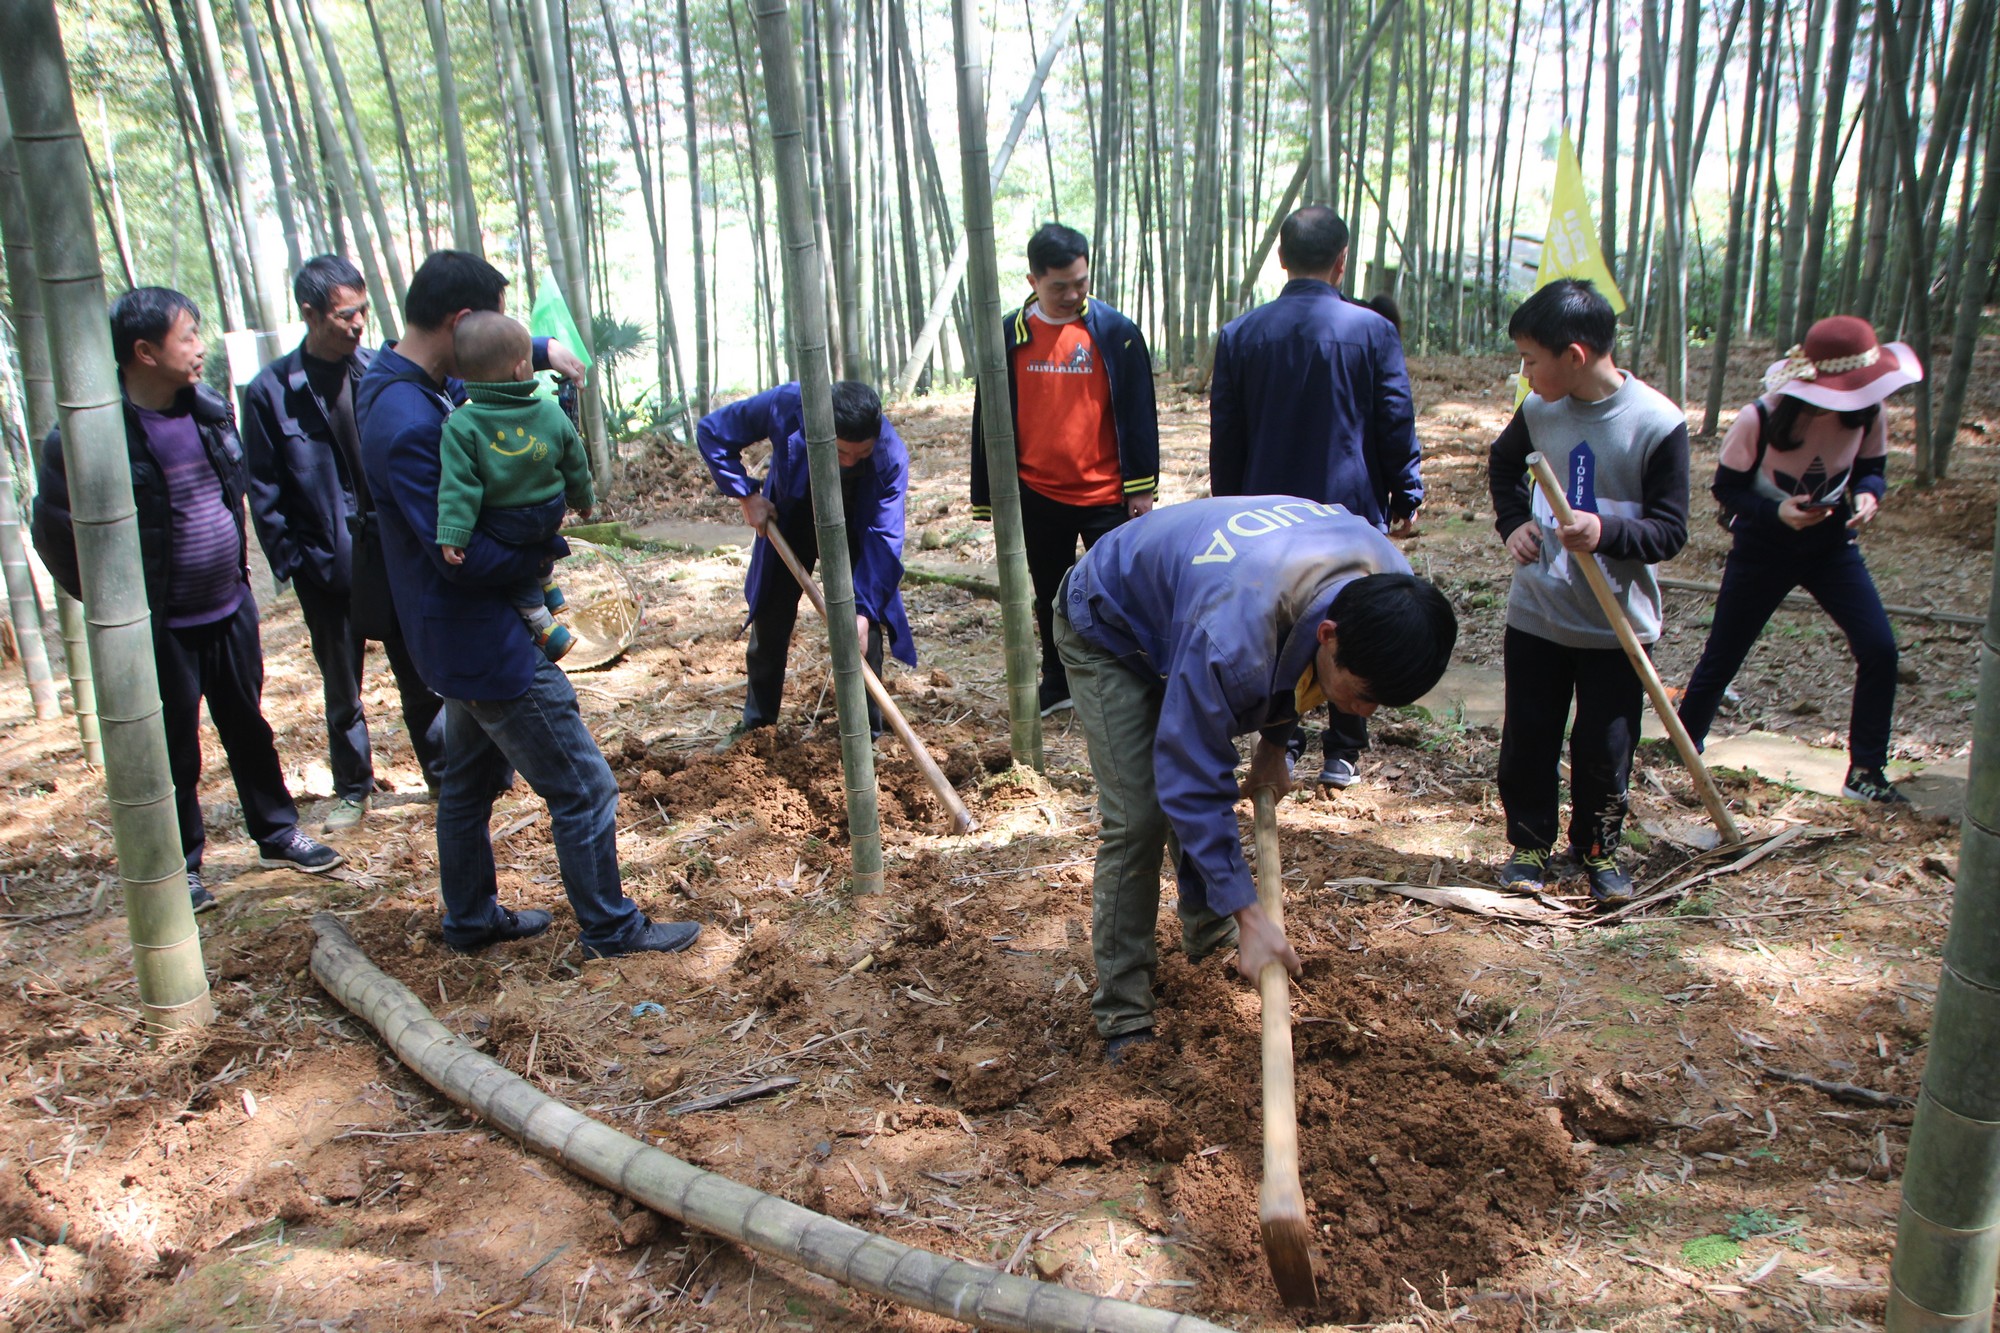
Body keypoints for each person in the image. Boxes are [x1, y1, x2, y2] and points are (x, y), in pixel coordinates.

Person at [355, 250, 698, 958]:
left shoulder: (400, 380)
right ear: (461, 321)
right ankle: (609, 926)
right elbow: (460, 556)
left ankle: (471, 917)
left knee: (468, 783)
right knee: (583, 785)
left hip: (453, 638)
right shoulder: (411, 421)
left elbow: (485, 371)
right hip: (482, 638)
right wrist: (544, 551)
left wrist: (540, 350)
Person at [1054, 496, 1457, 1061]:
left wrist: (1274, 745)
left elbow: (1291, 652)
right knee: (1141, 816)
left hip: (1192, 605)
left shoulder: (1391, 590)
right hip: (1111, 619)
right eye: (1362, 696)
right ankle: (1124, 1012)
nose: (1363, 715)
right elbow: (1193, 775)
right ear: (1331, 637)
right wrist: (1252, 911)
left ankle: (1209, 931)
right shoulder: (1232, 636)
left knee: (1187, 788)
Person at [31, 288, 342, 913]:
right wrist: (115, 607)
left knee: (248, 725)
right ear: (144, 352)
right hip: (157, 622)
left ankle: (277, 831)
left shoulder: (206, 412)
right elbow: (55, 533)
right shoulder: (89, 436)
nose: (200, 347)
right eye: (187, 337)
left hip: (227, 604)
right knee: (174, 743)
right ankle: (184, 864)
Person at [1488, 279, 1690, 906]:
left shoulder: (1656, 423)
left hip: (1614, 625)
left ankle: (1598, 848)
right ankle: (1528, 845)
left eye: (1530, 359)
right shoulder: (1539, 410)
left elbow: (1671, 530)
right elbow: (1502, 465)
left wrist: (1606, 531)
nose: (1524, 371)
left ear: (1574, 356)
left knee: (1606, 746)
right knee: (1530, 734)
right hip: (1538, 617)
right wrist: (1514, 523)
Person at [1209, 207, 1422, 789]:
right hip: (1346, 510)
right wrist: (1406, 487)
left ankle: (1288, 739)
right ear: (1341, 261)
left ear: (1281, 259)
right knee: (1357, 619)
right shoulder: (1372, 331)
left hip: (1265, 514)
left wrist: (1226, 509)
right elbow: (1393, 416)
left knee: (1280, 617)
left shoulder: (1241, 334)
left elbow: (1226, 433)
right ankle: (1344, 746)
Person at [1677, 317, 1922, 805]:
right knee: (1724, 652)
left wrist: (1869, 497)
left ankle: (1867, 770)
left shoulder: (1870, 413)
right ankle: (1685, 745)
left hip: (1831, 547)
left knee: (1879, 648)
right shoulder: (1761, 417)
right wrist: (1775, 511)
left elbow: (1872, 470)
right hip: (1763, 546)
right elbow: (1726, 489)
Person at [243, 255, 445, 832]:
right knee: (343, 684)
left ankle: (440, 775)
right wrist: (293, 563)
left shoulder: (378, 371)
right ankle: (353, 788)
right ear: (310, 314)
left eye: (361, 311)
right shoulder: (272, 392)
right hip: (325, 562)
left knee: (417, 669)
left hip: (390, 549)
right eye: (343, 315)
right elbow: (263, 489)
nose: (356, 324)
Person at [970, 223, 1159, 717]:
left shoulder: (1115, 333)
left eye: (1081, 282)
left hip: (1107, 493)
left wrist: (1142, 488)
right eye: (1060, 286)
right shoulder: (1010, 337)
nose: (1074, 294)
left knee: (1118, 593)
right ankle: (1057, 681)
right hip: (1037, 493)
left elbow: (1139, 411)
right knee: (1050, 591)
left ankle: (1127, 680)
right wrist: (989, 495)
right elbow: (986, 417)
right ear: (1032, 279)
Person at [697, 381, 913, 739]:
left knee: (866, 630)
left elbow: (885, 539)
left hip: (855, 528)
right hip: (791, 515)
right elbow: (713, 432)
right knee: (771, 618)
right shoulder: (788, 404)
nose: (848, 462)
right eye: (841, 452)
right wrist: (746, 496)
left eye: (860, 455)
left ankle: (866, 734)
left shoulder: (890, 457)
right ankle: (757, 727)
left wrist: (863, 612)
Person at [436, 311, 593, 663]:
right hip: (551, 510)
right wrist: (582, 499)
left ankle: (545, 627)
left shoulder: (461, 425)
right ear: (523, 369)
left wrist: (453, 533)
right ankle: (549, 584)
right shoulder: (551, 413)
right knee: (538, 539)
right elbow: (575, 460)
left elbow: (460, 486)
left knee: (512, 561)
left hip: (506, 522)